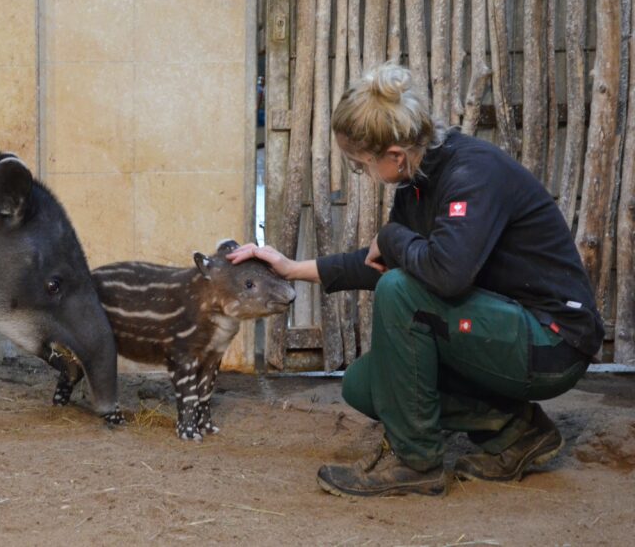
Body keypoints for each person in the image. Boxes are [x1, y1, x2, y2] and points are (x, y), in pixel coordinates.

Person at [228, 63, 603, 497]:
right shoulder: (418, 182)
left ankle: (416, 463)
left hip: (553, 342)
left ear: (394, 155)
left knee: (401, 292)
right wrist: (291, 268)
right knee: (366, 385)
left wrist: (390, 236)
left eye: (359, 165)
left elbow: (444, 274)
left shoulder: (472, 173)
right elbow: (384, 262)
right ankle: (517, 431)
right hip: (503, 330)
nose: (363, 174)